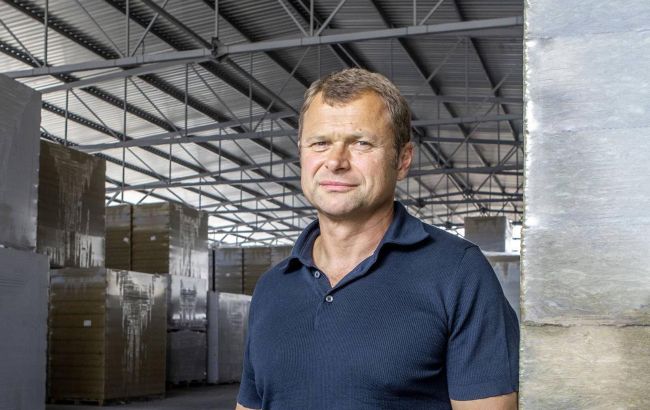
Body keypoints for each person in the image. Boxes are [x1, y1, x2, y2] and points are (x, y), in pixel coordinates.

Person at [235, 68, 519, 410]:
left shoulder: (457, 273)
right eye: (320, 143)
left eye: (361, 143)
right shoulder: (272, 287)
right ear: (302, 153)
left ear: (402, 160)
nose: (335, 161)